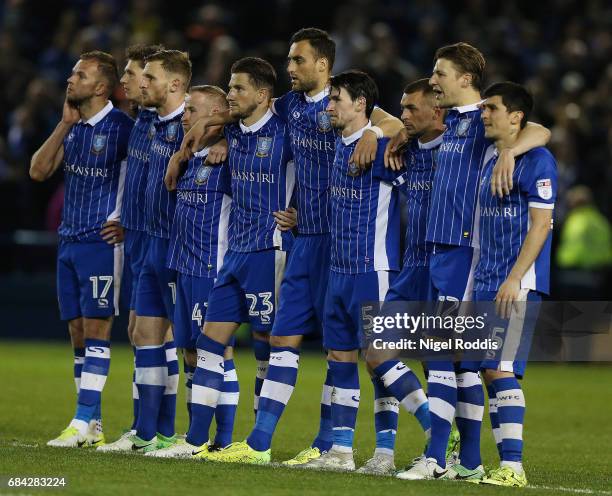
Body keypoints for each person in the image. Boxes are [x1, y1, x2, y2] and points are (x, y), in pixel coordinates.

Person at [182, 27, 404, 467]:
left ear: (323, 64)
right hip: (303, 240)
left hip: (346, 245)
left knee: (365, 352)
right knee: (285, 339)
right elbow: (247, 111)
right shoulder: (288, 106)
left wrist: (375, 135)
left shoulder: (343, 103)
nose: (290, 68)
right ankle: (262, 443)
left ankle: (359, 445)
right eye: (288, 61)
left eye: (298, 61)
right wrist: (214, 133)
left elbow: (395, 123)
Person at [390, 42, 551, 480]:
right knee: (458, 362)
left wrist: (509, 151)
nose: (433, 80)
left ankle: (437, 459)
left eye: (440, 73)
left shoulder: (487, 118)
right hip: (442, 252)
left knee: (441, 355)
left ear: (465, 79)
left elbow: (540, 131)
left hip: (465, 252)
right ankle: (472, 462)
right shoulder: (459, 122)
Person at [177, 57, 296, 460]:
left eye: (239, 88)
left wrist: (301, 212)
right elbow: (196, 131)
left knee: (266, 344)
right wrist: (203, 139)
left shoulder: (286, 130)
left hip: (270, 249)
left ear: (263, 95)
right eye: (229, 87)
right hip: (235, 253)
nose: (230, 95)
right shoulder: (232, 130)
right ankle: (194, 443)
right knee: (209, 342)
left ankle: (257, 441)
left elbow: (320, 172)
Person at [30, 51, 133, 447]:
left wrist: (126, 216)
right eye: (73, 72)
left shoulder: (123, 128)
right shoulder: (72, 127)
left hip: (101, 243)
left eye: (80, 75)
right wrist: (63, 123)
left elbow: (147, 175)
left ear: (102, 87)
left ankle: (80, 420)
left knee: (97, 329)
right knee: (77, 333)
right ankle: (93, 426)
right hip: (68, 240)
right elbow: (38, 170)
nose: (70, 80)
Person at [300, 70, 400, 472]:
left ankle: (387, 452)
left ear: (361, 104)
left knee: (379, 361)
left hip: (371, 270)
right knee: (339, 358)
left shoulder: (383, 149)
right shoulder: (339, 146)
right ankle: (341, 452)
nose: (329, 107)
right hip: (338, 270)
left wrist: (377, 132)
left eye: (336, 99)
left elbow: (401, 128)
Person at [147, 85, 239, 458]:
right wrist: (181, 155)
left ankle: (213, 439)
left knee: (215, 352)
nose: (184, 116)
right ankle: (202, 438)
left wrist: (228, 141)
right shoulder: (189, 157)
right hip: (182, 265)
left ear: (217, 113)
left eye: (192, 109)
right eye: (184, 110)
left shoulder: (230, 156)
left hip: (210, 266)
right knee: (189, 352)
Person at [474, 81, 557, 487]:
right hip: (487, 278)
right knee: (489, 370)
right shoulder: (490, 153)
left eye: (491, 107)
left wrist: (514, 278)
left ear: (516, 116)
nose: (484, 113)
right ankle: (500, 463)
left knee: (500, 368)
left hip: (516, 282)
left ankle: (513, 467)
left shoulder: (539, 161)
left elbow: (541, 225)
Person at [362, 78, 446, 475]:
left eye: (413, 109)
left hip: (446, 268)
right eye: (404, 108)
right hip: (411, 267)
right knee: (376, 353)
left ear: (438, 110)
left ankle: (447, 451)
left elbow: (537, 129)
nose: (405, 115)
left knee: (442, 365)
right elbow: (378, 114)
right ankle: (434, 430)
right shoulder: (405, 149)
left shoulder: (459, 148)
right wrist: (385, 130)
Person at [97, 43, 162, 452]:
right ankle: (146, 430)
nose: (124, 80)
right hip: (137, 235)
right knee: (141, 334)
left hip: (169, 241)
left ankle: (157, 432)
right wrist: (125, 214)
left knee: (162, 336)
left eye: (132, 73)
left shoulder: (178, 118)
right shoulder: (140, 120)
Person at [129, 49, 191, 453]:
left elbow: (224, 116)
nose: (141, 85)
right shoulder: (152, 122)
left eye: (149, 78)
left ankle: (205, 437)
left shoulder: (194, 122)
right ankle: (148, 435)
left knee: (195, 346)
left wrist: (195, 144)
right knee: (145, 337)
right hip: (151, 241)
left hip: (180, 248)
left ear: (173, 84)